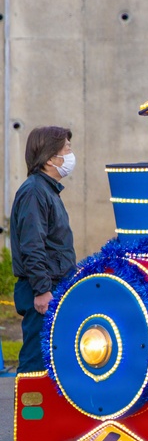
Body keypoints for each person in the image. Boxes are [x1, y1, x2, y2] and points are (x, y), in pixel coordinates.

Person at [11, 126, 78, 373]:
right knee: (36, 361)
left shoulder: (46, 191)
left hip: (53, 286)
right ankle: (28, 410)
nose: (71, 155)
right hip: (42, 290)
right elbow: (32, 244)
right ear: (50, 158)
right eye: (67, 150)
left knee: (53, 360)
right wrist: (41, 290)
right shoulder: (35, 192)